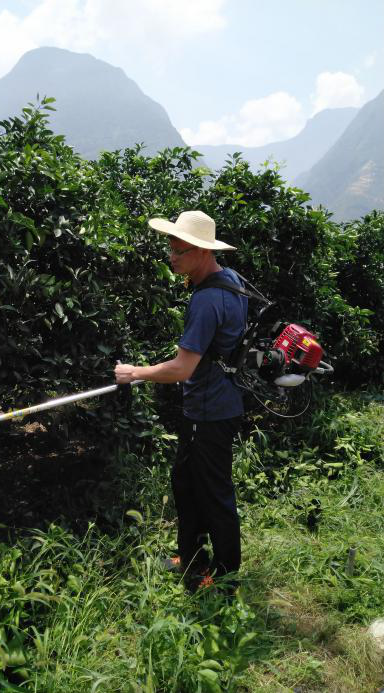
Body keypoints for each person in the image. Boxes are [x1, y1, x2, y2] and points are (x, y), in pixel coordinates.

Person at [114, 210, 247, 591]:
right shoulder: (233, 282)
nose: (171, 255)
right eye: (170, 247)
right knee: (186, 483)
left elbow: (182, 368)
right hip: (214, 405)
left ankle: (224, 579)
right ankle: (190, 558)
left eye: (178, 249)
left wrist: (135, 372)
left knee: (214, 494)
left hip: (210, 411)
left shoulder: (207, 300)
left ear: (202, 252)